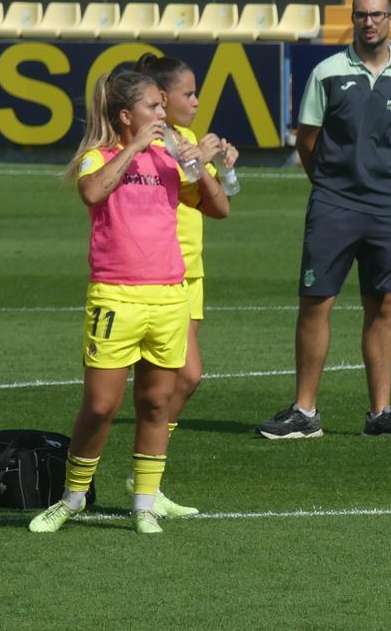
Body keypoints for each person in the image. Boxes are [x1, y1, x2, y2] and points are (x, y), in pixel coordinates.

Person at [27, 71, 228, 536]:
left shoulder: (172, 159)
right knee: (100, 405)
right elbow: (92, 192)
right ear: (126, 116)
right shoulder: (99, 157)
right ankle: (72, 497)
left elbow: (219, 209)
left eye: (163, 107)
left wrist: (197, 165)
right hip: (115, 296)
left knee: (156, 403)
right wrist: (136, 148)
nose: (163, 115)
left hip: (168, 296)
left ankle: (143, 503)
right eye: (154, 108)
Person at [257, 0, 391, 440]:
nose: (368, 22)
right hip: (334, 205)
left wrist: (378, 177)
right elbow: (307, 140)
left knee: (383, 304)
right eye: (360, 15)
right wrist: (332, 184)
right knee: (316, 302)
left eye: (376, 15)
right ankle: (305, 412)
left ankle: (381, 413)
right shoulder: (327, 72)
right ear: (352, 20)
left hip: (388, 207)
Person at [130, 53, 234, 516]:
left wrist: (223, 165)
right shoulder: (148, 143)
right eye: (188, 93)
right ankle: (140, 476)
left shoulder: (187, 139)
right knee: (185, 375)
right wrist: (199, 162)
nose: (195, 100)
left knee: (184, 378)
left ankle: (149, 478)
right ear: (162, 98)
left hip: (192, 271)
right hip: (158, 274)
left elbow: (220, 197)